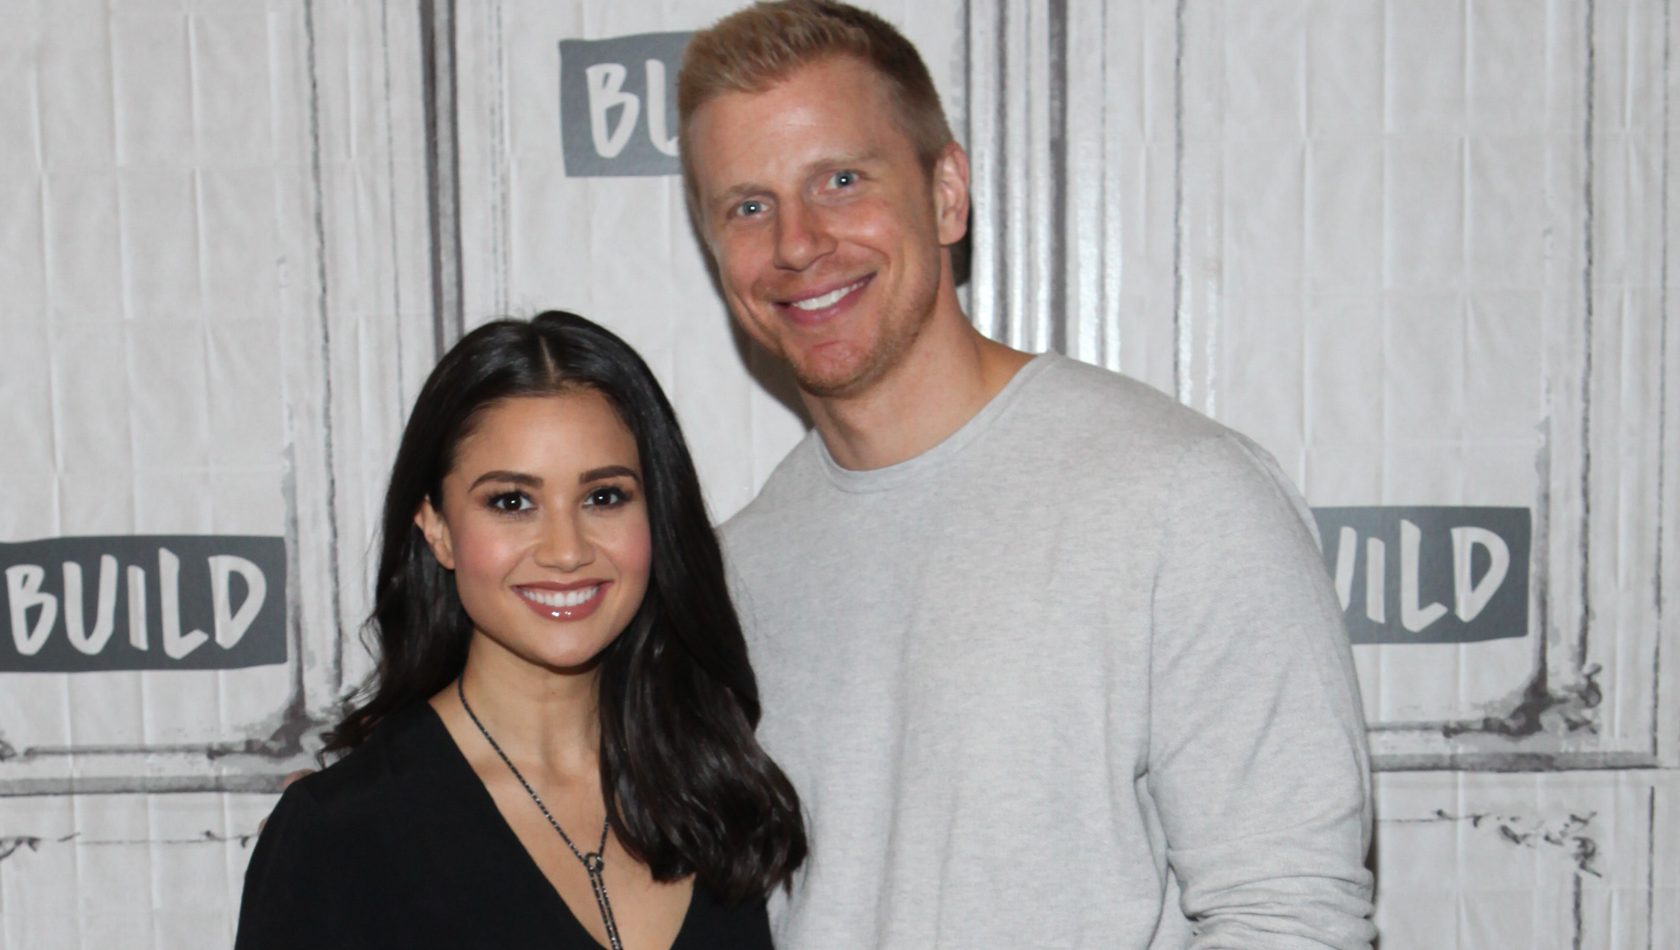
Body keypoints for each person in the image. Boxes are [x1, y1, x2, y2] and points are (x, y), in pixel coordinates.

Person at [676, 2, 1376, 947]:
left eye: (841, 179)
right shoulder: (734, 569)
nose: (797, 243)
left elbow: (1290, 914)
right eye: (748, 206)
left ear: (948, 192)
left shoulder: (1180, 496)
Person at [235, 312, 806, 949]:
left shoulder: (717, 795)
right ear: (438, 528)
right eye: (511, 501)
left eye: (604, 497)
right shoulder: (344, 832)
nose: (566, 550)